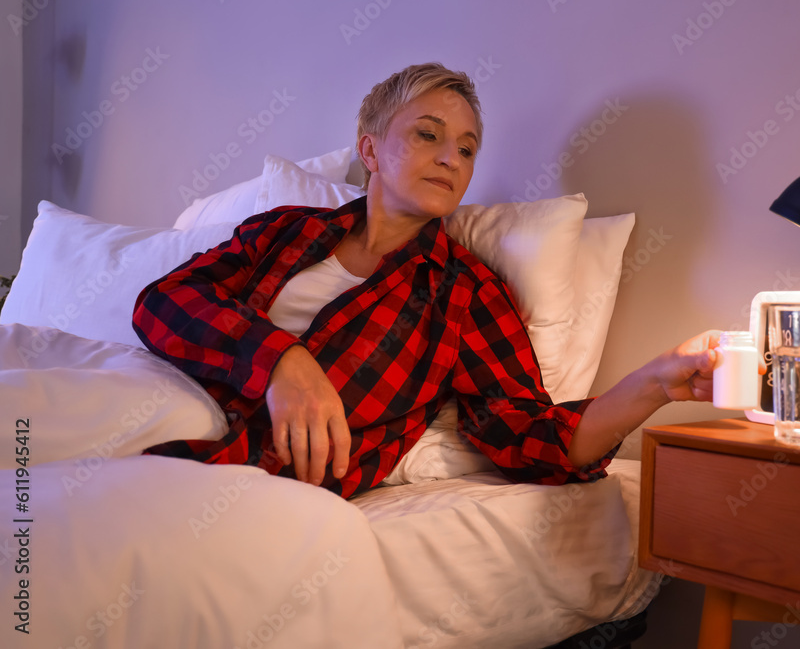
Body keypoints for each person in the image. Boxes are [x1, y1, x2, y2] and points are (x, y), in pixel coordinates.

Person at [133, 62, 734, 499]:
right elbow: (163, 302)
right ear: (370, 148)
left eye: (468, 149)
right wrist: (282, 361)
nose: (452, 158)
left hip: (250, 476)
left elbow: (533, 437)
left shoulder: (463, 295)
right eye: (429, 135)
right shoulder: (284, 231)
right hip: (156, 402)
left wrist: (654, 384)